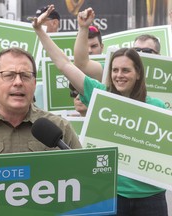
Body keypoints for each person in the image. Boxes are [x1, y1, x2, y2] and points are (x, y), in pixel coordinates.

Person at [32, 5, 168, 215]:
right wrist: (40, 32)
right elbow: (64, 64)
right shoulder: (100, 95)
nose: (118, 75)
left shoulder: (158, 107)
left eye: (125, 70)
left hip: (151, 198)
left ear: (138, 74)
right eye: (114, 70)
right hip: (112, 193)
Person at [73, 7, 161, 83]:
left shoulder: (167, 75)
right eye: (137, 50)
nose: (141, 54)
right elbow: (81, 64)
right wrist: (83, 27)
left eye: (147, 51)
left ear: (159, 55)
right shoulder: (113, 70)